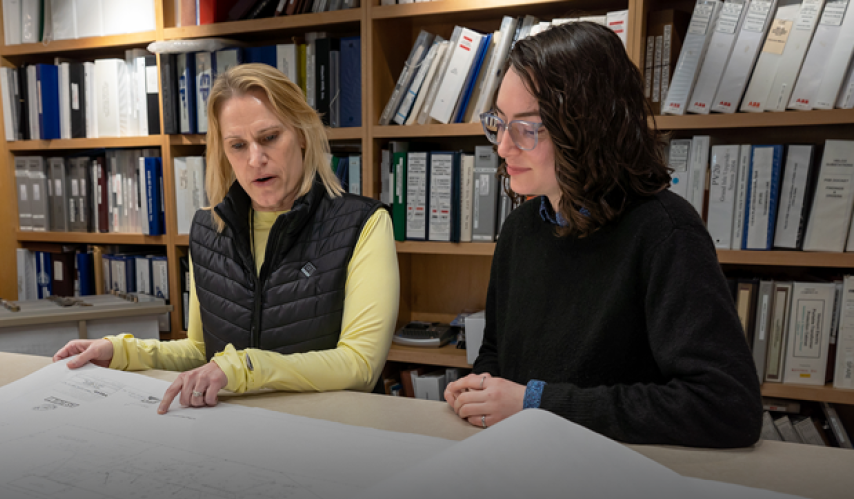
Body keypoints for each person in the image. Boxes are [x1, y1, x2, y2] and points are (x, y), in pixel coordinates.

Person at [444, 22, 762, 448]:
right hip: (525, 465)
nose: (502, 147)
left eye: (526, 128)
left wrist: (536, 403)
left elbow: (726, 406)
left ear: (587, 128)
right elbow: (498, 355)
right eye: (498, 123)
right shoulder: (521, 228)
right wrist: (479, 386)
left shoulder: (666, 231)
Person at [54, 64, 399, 414]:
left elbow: (360, 366)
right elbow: (201, 351)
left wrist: (243, 368)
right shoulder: (207, 229)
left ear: (303, 135)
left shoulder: (363, 223)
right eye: (237, 145)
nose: (255, 159)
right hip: (231, 433)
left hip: (330, 434)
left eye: (269, 138)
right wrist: (121, 351)